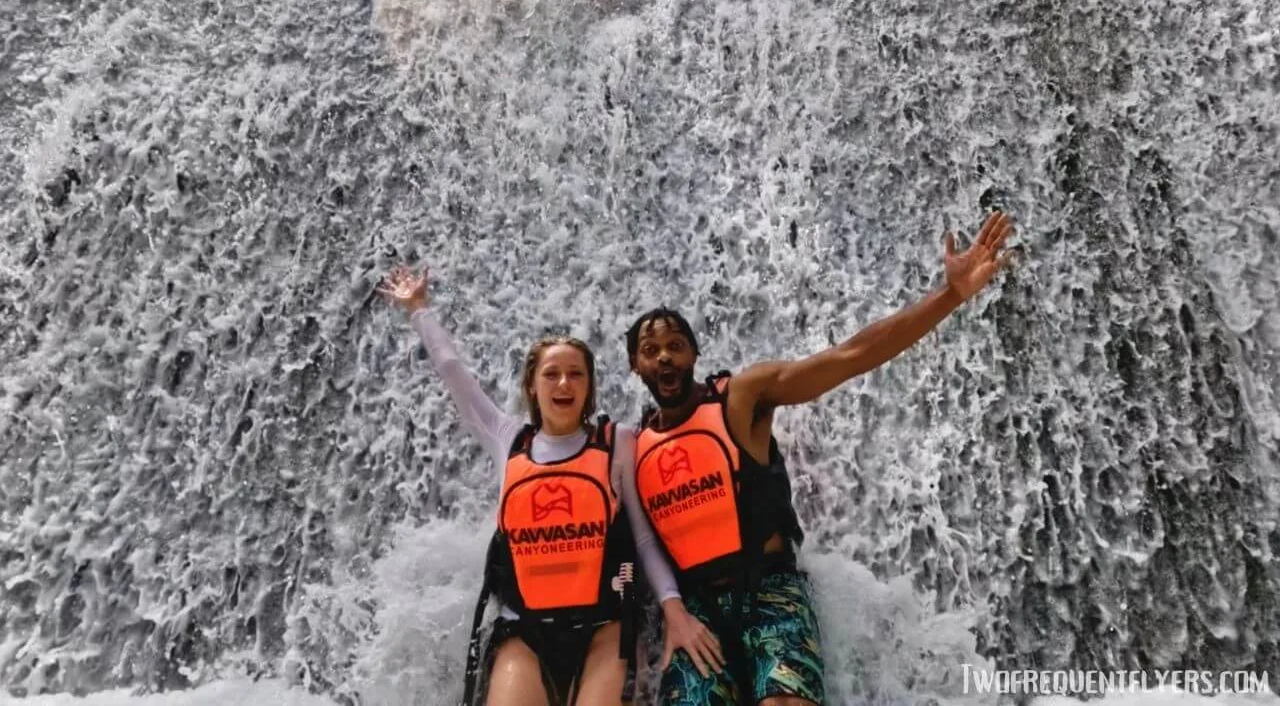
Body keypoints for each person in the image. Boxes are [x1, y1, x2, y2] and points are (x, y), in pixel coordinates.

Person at [624, 211, 1017, 705]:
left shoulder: (741, 399)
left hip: (770, 591)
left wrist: (950, 295)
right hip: (696, 612)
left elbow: (849, 356)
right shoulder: (631, 447)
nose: (664, 357)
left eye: (675, 346)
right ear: (635, 365)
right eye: (651, 350)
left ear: (695, 354)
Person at [378, 266, 725, 706]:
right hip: (524, 631)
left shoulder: (616, 443)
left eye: (576, 374)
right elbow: (451, 370)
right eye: (551, 374)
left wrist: (674, 609)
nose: (564, 383)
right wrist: (418, 308)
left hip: (604, 630)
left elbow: (642, 537)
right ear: (532, 385)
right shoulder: (506, 439)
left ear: (589, 387)